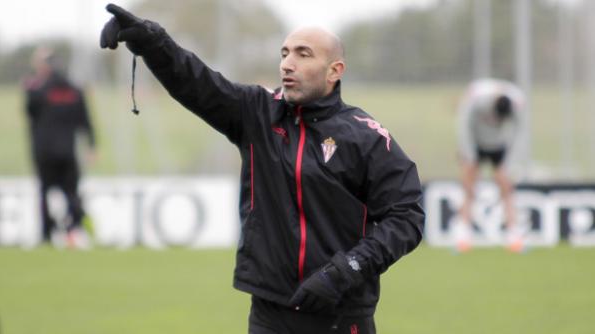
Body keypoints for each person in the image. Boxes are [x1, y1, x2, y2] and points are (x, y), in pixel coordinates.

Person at [100, 4, 424, 333]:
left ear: (334, 70)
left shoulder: (367, 136)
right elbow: (196, 83)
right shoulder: (257, 113)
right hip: (270, 315)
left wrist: (345, 271)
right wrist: (150, 40)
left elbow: (406, 217)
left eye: (303, 54)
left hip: (341, 316)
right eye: (284, 53)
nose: (287, 64)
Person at [23, 48, 96, 248]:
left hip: (44, 151)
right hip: (67, 151)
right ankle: (73, 228)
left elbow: (29, 111)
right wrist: (92, 144)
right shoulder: (74, 89)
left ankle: (47, 234)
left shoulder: (36, 89)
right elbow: (85, 119)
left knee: (45, 193)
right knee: (71, 193)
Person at [455, 78, 525, 253]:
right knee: (469, 187)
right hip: (476, 143)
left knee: (506, 188)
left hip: (497, 146)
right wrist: (468, 153)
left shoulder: (516, 102)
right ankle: (463, 234)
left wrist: (510, 159)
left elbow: (518, 131)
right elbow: (464, 124)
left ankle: (513, 234)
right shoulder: (477, 98)